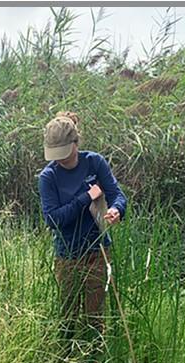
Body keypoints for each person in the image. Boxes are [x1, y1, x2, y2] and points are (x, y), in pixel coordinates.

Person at [37, 111, 128, 343]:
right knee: (67, 315)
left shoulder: (94, 162)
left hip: (98, 251)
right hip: (67, 254)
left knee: (94, 315)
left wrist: (116, 209)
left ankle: (94, 362)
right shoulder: (48, 177)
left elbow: (117, 194)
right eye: (55, 155)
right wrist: (86, 197)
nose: (59, 160)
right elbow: (54, 220)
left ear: (75, 143)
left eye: (64, 154)